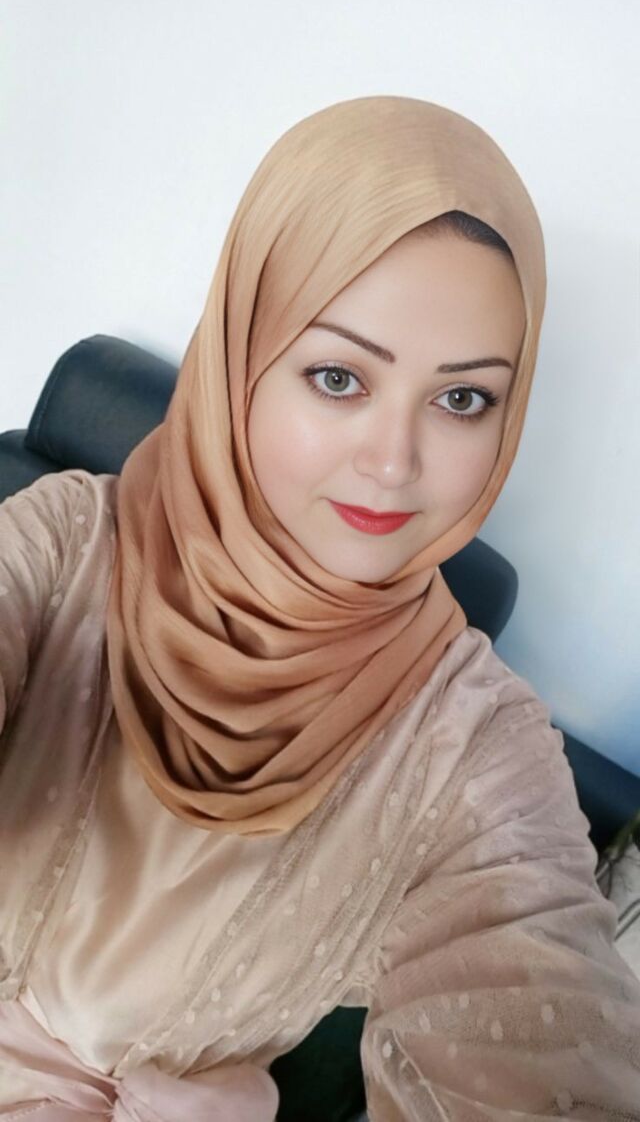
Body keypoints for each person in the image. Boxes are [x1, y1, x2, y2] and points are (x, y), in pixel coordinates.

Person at [0, 95, 639, 1120]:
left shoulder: (474, 748)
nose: (393, 462)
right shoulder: (62, 540)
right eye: (338, 376)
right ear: (239, 363)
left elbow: (540, 1013)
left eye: (463, 398)